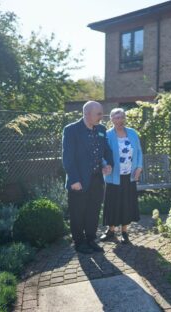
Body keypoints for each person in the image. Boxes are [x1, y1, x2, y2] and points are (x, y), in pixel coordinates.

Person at [62, 101, 113, 254]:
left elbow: (107, 150)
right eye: (98, 113)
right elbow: (68, 158)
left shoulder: (102, 129)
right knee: (77, 213)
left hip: (97, 179)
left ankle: (91, 240)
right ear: (87, 114)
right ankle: (79, 243)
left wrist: (108, 164)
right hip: (79, 180)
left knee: (93, 211)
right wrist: (74, 180)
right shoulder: (71, 130)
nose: (101, 116)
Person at [100, 108, 143, 244]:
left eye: (122, 117)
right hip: (113, 176)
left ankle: (124, 231)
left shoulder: (132, 133)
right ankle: (111, 230)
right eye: (116, 118)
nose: (119, 120)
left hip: (129, 175)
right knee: (112, 203)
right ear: (111, 119)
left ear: (125, 118)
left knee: (126, 203)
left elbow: (139, 152)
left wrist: (139, 167)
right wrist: (105, 165)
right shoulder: (107, 135)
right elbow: (102, 154)